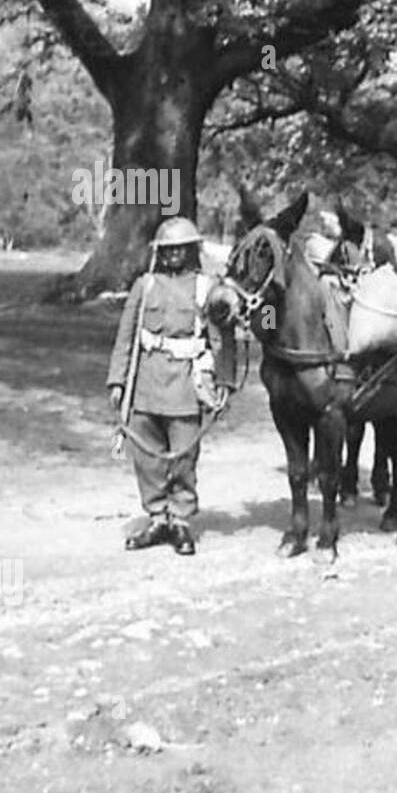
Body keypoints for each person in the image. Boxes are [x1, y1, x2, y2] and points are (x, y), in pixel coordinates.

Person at [106, 217, 237, 556]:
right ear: (158, 253)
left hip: (185, 386)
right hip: (146, 384)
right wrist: (118, 380)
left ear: (193, 250)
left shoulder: (206, 288)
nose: (174, 254)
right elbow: (126, 336)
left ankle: (179, 519)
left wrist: (224, 381)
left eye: (181, 248)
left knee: (183, 457)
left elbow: (222, 339)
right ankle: (156, 516)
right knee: (146, 457)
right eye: (168, 249)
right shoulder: (144, 286)